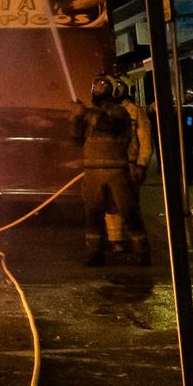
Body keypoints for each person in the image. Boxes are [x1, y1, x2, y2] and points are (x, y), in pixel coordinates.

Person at [74, 72, 150, 265]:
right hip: (92, 171)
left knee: (128, 211)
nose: (98, 89)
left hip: (117, 170)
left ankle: (142, 253)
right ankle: (94, 254)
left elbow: (110, 126)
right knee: (93, 214)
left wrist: (85, 114)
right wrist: (75, 119)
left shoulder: (119, 112)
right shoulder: (90, 113)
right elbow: (76, 138)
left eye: (102, 86)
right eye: (96, 85)